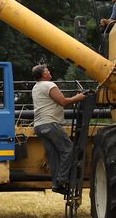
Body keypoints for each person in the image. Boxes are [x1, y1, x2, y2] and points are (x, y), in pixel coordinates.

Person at [30, 63, 86, 194]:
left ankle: (56, 184)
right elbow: (64, 102)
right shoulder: (49, 85)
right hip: (51, 124)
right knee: (68, 148)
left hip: (39, 126)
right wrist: (79, 97)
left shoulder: (35, 87)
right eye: (47, 70)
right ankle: (61, 180)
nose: (49, 72)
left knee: (53, 155)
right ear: (44, 74)